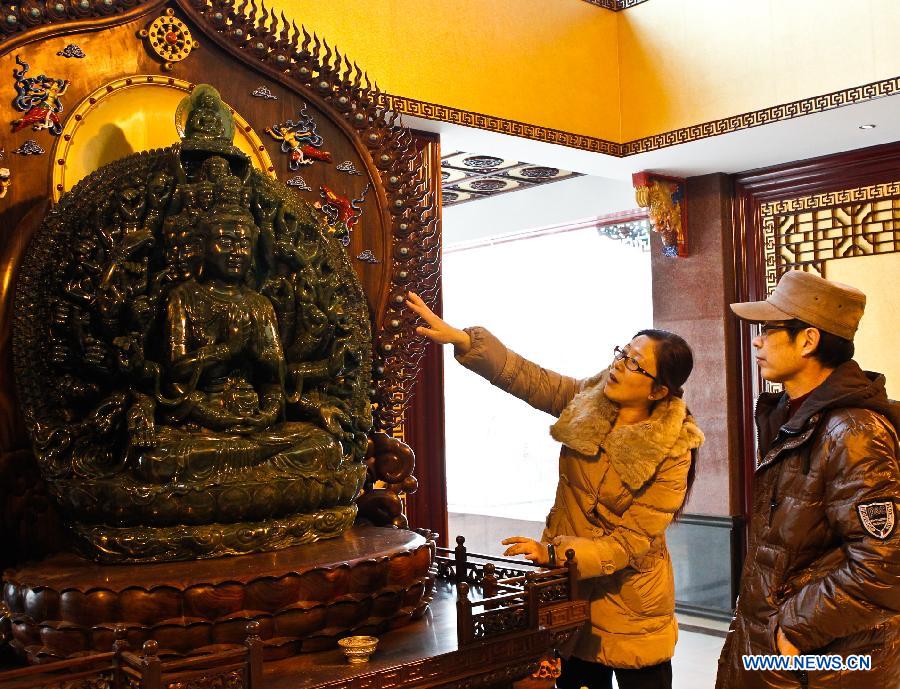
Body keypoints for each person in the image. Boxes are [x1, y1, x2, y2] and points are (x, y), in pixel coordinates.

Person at [405, 292, 704, 689]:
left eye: (636, 364)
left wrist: (553, 552)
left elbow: (632, 543)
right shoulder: (590, 400)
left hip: (631, 603)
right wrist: (464, 341)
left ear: (658, 391)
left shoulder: (672, 449)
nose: (619, 366)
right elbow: (532, 379)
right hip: (570, 594)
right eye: (622, 353)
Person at [717, 270, 900, 689]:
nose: (757, 341)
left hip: (823, 660)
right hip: (782, 646)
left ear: (808, 339)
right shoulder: (794, 415)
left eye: (768, 329)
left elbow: (884, 563)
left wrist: (796, 629)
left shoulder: (853, 431)